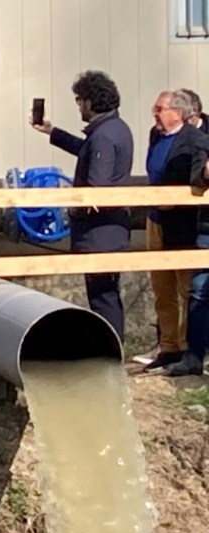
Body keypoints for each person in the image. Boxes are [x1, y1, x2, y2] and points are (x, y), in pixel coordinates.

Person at [31, 71, 134, 340]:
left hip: (100, 232)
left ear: (90, 101)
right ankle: (111, 344)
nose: (78, 107)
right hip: (112, 228)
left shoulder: (103, 135)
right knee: (106, 292)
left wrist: (74, 204)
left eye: (79, 101)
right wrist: (53, 132)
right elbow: (87, 151)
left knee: (102, 296)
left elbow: (97, 185)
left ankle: (111, 347)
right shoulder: (115, 128)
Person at [142, 91, 204, 373]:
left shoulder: (194, 139)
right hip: (154, 219)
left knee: (186, 288)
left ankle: (187, 346)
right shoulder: (155, 136)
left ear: (177, 113)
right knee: (161, 288)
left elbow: (196, 182)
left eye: (160, 108)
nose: (155, 113)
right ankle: (168, 346)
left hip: (182, 223)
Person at [166, 131, 209, 375]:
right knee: (199, 292)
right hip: (207, 230)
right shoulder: (204, 142)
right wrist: (204, 173)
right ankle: (194, 357)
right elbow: (195, 179)